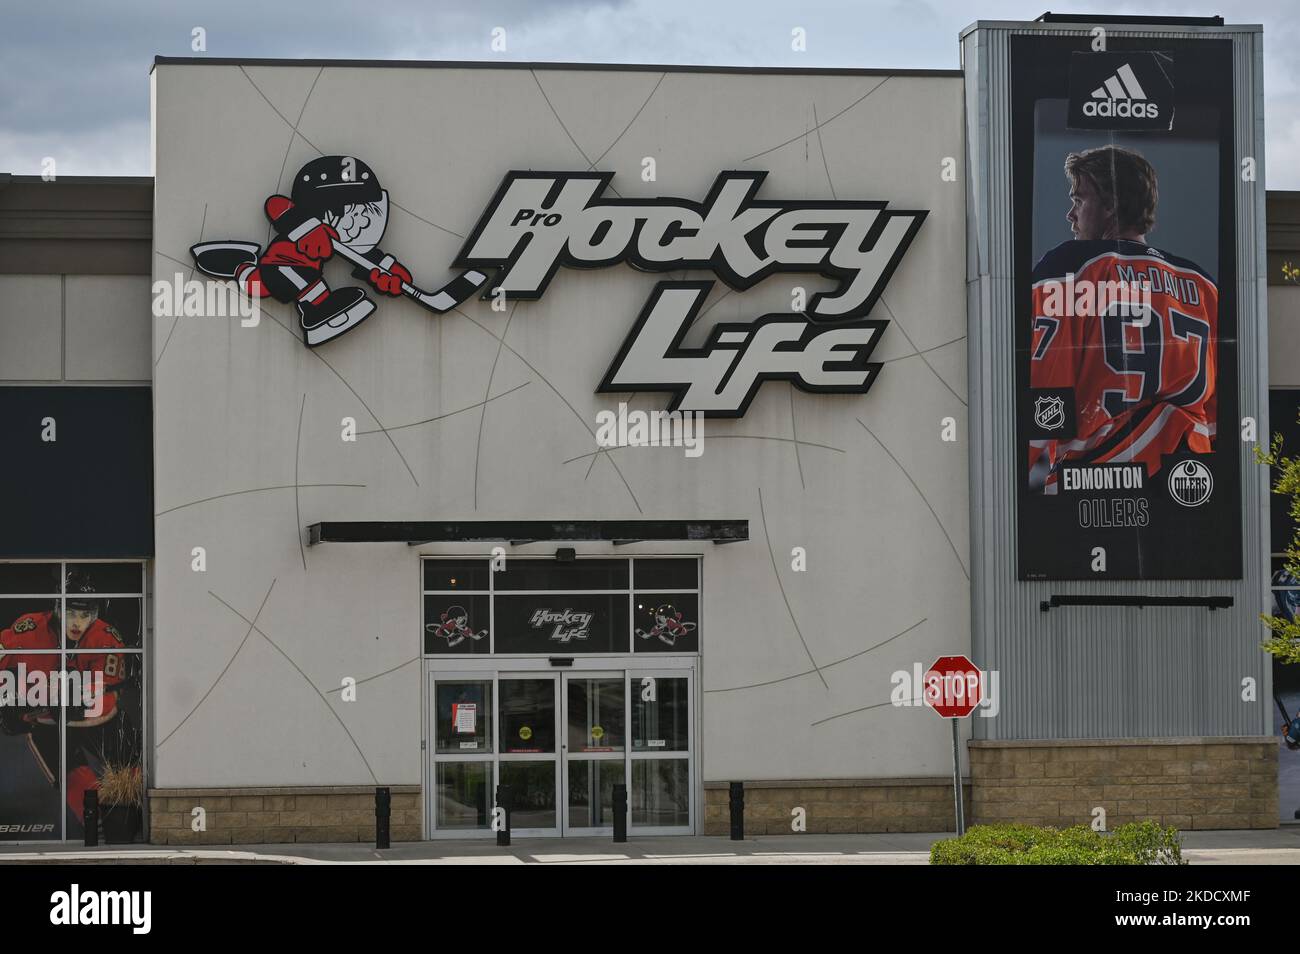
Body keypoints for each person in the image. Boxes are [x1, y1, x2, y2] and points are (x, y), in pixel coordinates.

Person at [1028, 145, 1218, 493]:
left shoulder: (1069, 266)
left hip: (1092, 479)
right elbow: (1220, 409)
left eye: (1079, 200)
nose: (1071, 214)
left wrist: (1022, 483)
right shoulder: (1203, 285)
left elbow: (1045, 383)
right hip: (1187, 480)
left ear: (1110, 206)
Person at [0, 572, 139, 832]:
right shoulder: (28, 630)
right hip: (48, 722)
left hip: (97, 719)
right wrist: (9, 703)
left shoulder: (107, 639)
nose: (77, 622)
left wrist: (77, 696)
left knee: (130, 764)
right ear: (57, 608)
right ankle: (96, 823)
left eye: (84, 615)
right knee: (64, 761)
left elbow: (108, 696)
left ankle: (133, 818)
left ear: (94, 615)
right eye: (71, 612)